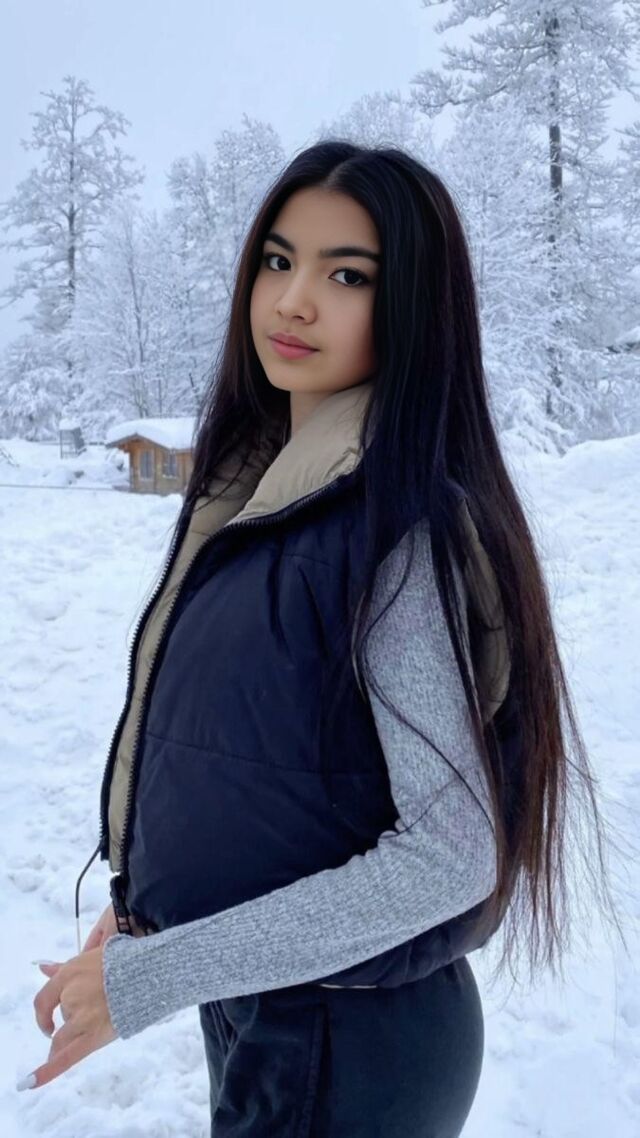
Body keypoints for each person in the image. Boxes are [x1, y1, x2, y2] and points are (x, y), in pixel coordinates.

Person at [26, 142, 624, 1136]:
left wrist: (155, 976)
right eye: (278, 260)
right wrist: (150, 915)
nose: (294, 300)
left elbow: (448, 858)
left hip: (347, 1042)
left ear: (413, 308)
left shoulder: (392, 528)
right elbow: (266, 769)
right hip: (286, 1017)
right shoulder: (269, 501)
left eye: (348, 276)